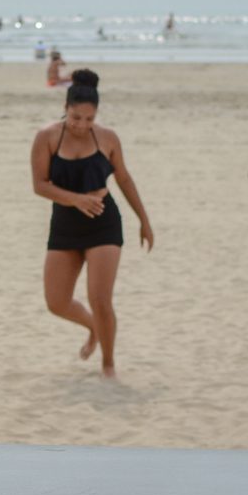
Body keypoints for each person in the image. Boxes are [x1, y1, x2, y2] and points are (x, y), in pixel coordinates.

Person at [29, 70, 153, 377]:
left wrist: (144, 220)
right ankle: (94, 329)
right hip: (65, 226)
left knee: (100, 299)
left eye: (88, 118)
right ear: (65, 107)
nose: (82, 125)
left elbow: (123, 178)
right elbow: (39, 185)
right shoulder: (46, 137)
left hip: (104, 224)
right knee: (56, 301)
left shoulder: (107, 137)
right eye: (75, 117)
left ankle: (108, 363)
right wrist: (76, 199)